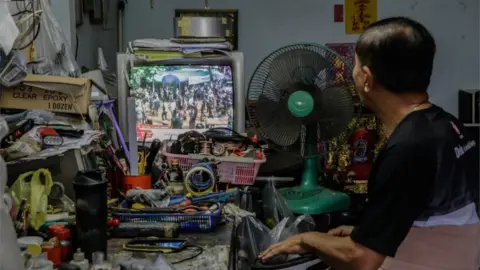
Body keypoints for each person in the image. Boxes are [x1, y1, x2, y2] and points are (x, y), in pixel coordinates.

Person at [259, 17, 480, 270]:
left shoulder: (408, 148)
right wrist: (367, 232)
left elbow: (362, 259)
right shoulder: (449, 126)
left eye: (354, 66)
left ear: (366, 77)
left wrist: (307, 239)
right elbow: (436, 219)